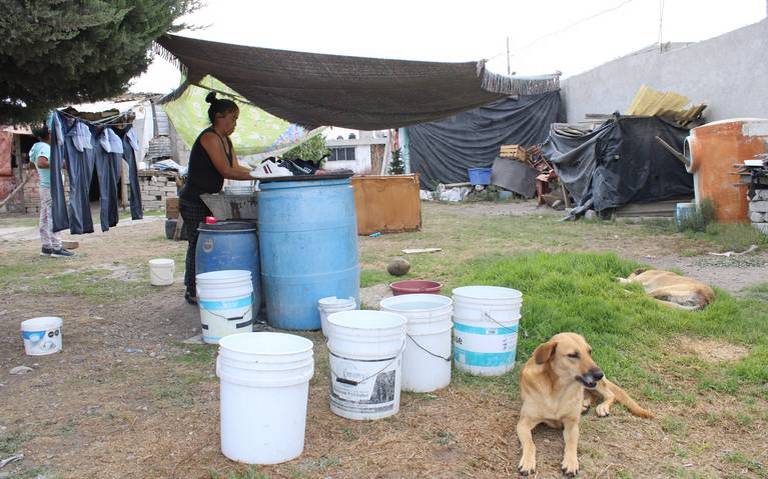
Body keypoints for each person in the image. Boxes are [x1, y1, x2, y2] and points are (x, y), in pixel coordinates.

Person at [179, 92, 253, 304]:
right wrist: (258, 175)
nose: (234, 124)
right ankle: (192, 290)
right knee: (197, 243)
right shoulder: (210, 137)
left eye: (236, 119)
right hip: (194, 199)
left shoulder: (225, 140)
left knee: (204, 243)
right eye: (232, 118)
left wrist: (261, 171)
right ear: (219, 117)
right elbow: (226, 171)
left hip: (209, 199)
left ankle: (198, 285)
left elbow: (237, 167)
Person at [29, 125, 74, 257]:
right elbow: (41, 162)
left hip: (45, 186)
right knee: (53, 216)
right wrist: (58, 163)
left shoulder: (35, 147)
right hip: (50, 187)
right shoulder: (44, 147)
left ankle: (46, 246)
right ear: (48, 135)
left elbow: (32, 164)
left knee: (45, 217)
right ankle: (57, 247)